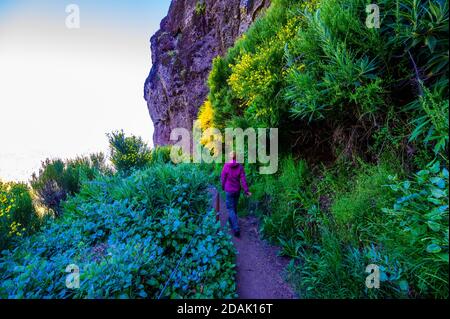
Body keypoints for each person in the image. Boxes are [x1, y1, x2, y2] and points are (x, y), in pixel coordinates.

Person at [221, 151, 252, 237]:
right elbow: (243, 180)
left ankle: (236, 228)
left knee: (230, 208)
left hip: (228, 190)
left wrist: (223, 186)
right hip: (237, 190)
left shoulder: (226, 166)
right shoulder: (240, 167)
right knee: (234, 207)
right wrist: (246, 191)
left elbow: (223, 178)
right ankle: (232, 220)